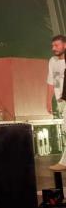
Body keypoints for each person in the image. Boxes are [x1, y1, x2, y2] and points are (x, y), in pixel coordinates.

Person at [47, 35, 66, 171]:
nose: (54, 48)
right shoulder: (52, 61)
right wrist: (48, 100)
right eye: (52, 46)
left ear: (64, 45)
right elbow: (52, 82)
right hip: (60, 101)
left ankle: (64, 162)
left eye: (57, 45)